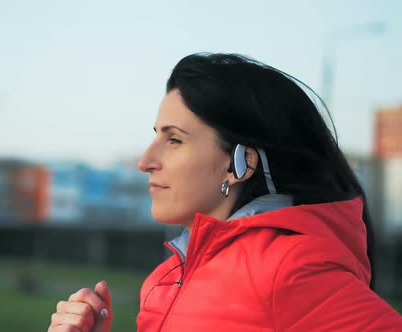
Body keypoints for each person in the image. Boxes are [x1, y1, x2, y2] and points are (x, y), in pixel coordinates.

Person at [47, 53, 402, 331]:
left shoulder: (288, 268)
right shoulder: (165, 279)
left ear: (239, 164)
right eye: (156, 135)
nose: (145, 161)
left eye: (174, 139)